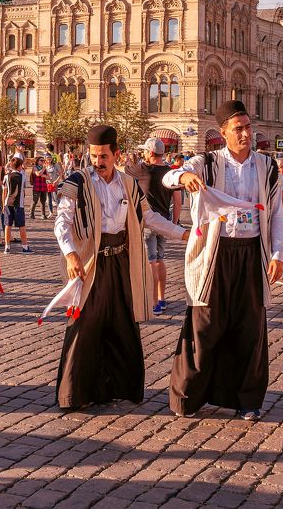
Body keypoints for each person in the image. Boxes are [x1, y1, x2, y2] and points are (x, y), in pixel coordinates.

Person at [163, 100, 283, 421]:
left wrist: (277, 254)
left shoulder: (267, 167)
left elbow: (276, 217)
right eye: (238, 129)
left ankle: (248, 400)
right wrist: (183, 179)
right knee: (204, 323)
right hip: (214, 253)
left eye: (248, 127)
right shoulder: (207, 162)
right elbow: (169, 177)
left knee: (249, 327)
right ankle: (188, 396)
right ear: (223, 133)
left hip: (250, 251)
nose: (246, 133)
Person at [54, 125, 188, 410]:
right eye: (93, 156)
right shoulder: (77, 182)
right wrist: (69, 253)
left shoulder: (129, 184)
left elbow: (150, 218)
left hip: (121, 262)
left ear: (117, 154)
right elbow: (62, 222)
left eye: (103, 156)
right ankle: (75, 393)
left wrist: (183, 234)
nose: (98, 162)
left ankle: (119, 387)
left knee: (122, 323)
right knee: (84, 323)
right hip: (91, 263)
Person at [125, 137, 183, 314]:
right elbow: (178, 200)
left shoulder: (143, 170)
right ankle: (162, 298)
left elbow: (125, 171)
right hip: (164, 221)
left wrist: (130, 160)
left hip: (148, 222)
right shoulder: (170, 172)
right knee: (160, 260)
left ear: (150, 153)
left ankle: (153, 302)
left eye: (144, 151)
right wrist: (173, 223)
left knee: (150, 262)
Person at [3, 157, 33, 254]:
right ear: (20, 166)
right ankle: (25, 246)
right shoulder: (23, 177)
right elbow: (23, 191)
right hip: (19, 204)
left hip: (8, 203)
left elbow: (5, 191)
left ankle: (7, 247)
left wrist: (4, 203)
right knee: (22, 226)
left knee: (8, 225)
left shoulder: (6, 177)